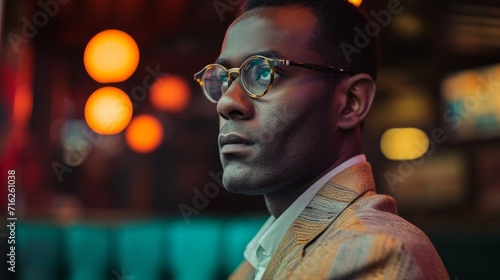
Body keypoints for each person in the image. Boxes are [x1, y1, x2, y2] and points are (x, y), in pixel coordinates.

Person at [193, 0, 449, 279]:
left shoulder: (373, 252)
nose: (227, 102)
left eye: (264, 72)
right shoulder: (263, 254)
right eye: (223, 79)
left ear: (351, 102)